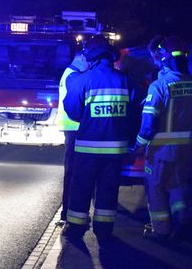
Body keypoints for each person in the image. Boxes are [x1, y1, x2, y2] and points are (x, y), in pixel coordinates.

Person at [63, 35, 134, 244]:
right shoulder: (125, 80)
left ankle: (76, 228)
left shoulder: (84, 79)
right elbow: (136, 110)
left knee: (81, 188)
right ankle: (104, 232)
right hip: (116, 151)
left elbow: (73, 111)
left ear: (91, 57)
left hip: (88, 149)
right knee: (108, 190)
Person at [133, 36, 192, 241]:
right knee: (177, 186)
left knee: (156, 189)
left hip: (161, 152)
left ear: (163, 58)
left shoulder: (159, 86)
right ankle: (182, 218)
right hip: (186, 150)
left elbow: (148, 127)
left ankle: (161, 230)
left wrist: (137, 146)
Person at [56, 50, 90, 224]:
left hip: (72, 129)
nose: (89, 65)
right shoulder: (74, 76)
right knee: (73, 173)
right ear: (82, 58)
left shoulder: (69, 73)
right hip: (75, 129)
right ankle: (68, 212)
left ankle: (68, 212)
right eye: (88, 61)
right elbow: (76, 103)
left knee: (72, 172)